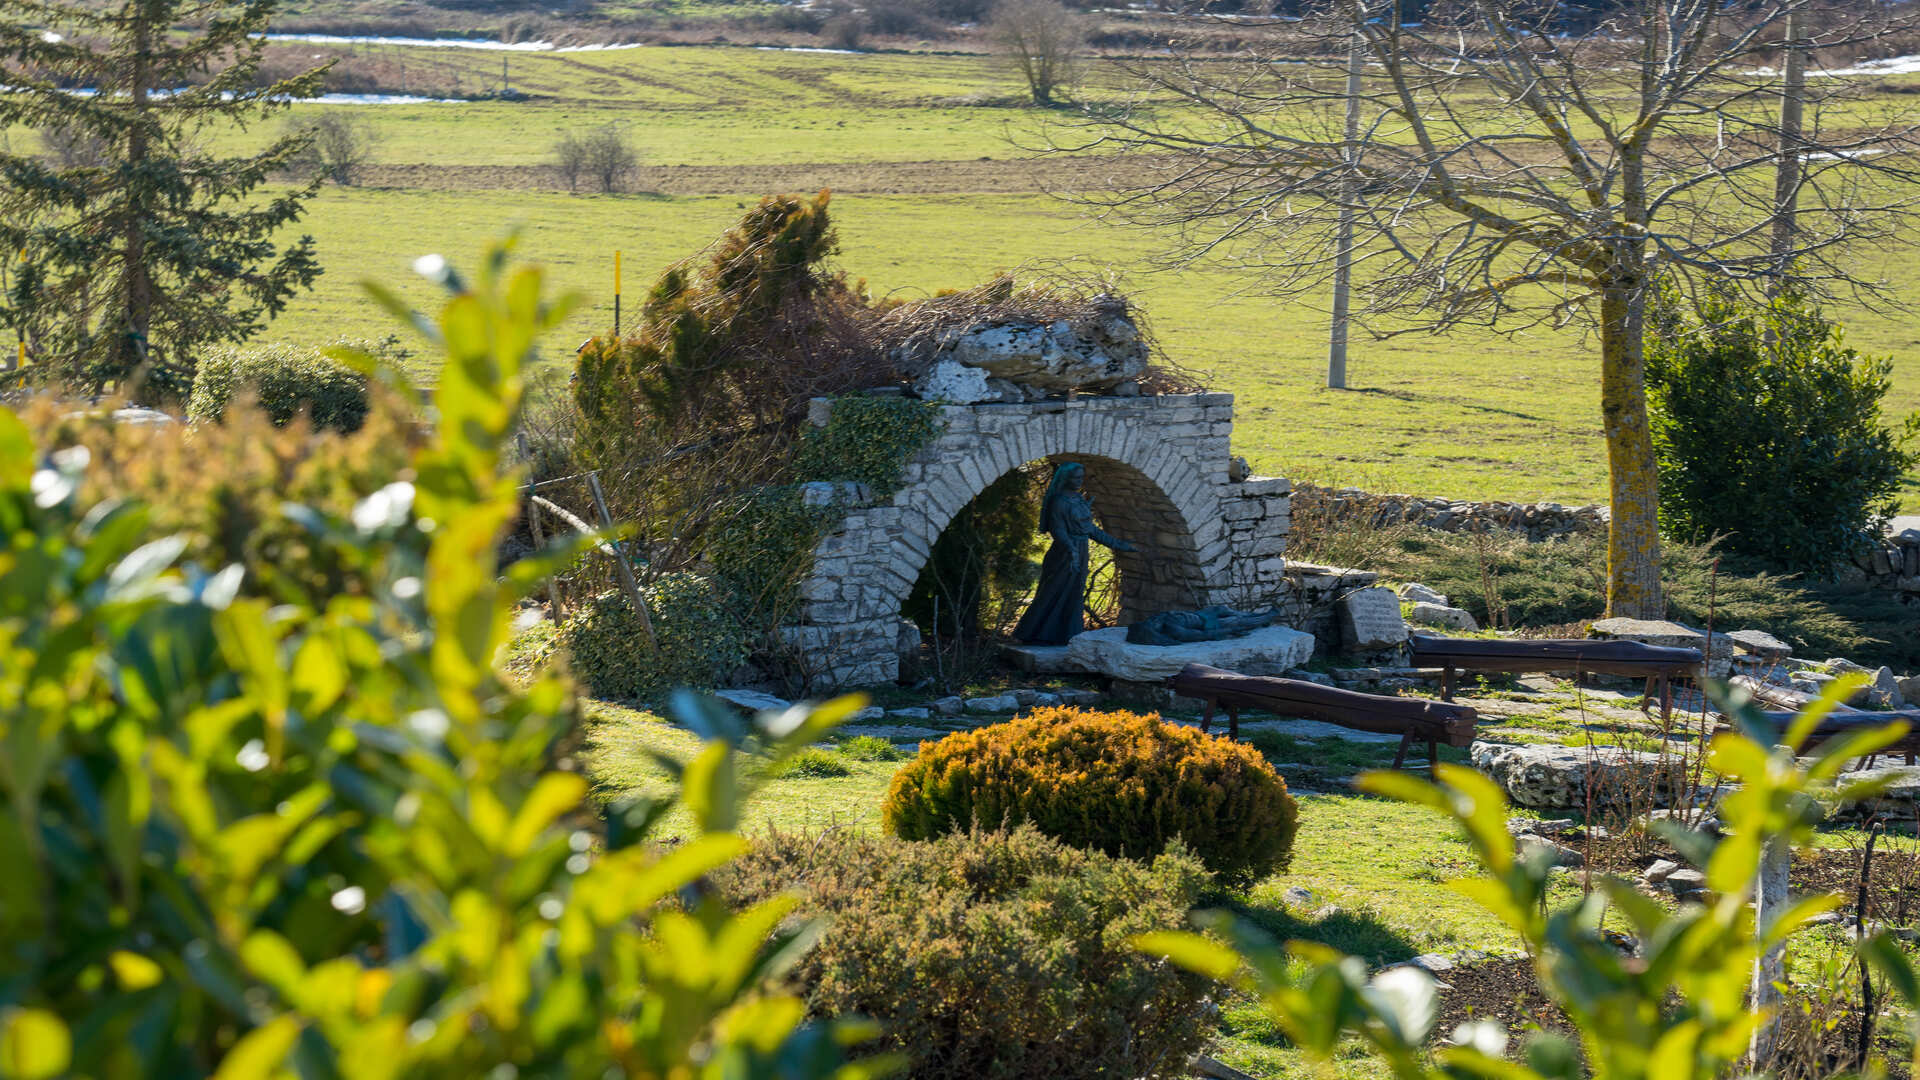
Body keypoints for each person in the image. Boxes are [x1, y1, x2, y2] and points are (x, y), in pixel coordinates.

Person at [1011, 462, 1136, 645]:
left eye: (1080, 477)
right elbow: (1058, 530)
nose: (1079, 481)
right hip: (1064, 553)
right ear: (1065, 478)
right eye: (1075, 477)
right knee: (1053, 591)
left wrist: (1119, 544)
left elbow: (1091, 530)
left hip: (1080, 549)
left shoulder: (1077, 499)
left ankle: (1067, 634)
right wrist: (1072, 551)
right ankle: (1036, 634)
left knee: (1074, 593)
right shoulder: (1059, 501)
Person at [1124, 605, 1284, 646]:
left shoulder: (1159, 619)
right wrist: (1228, 631)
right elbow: (1200, 635)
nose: (1152, 621)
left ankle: (1258, 615)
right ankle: (1265, 618)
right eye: (1150, 625)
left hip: (1201, 614)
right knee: (1235, 621)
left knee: (1223, 609)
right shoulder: (1173, 630)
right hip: (1207, 625)